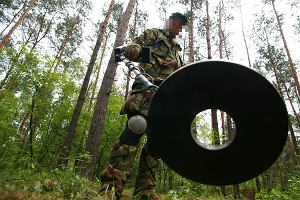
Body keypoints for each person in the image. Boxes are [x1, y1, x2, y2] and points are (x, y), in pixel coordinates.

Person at [100, 12, 188, 200]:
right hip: (146, 92)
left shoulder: (179, 53)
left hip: (168, 101)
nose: (177, 27)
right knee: (136, 126)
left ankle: (145, 192)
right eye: (175, 22)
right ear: (169, 22)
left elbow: (183, 78)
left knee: (157, 144)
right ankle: (110, 188)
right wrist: (135, 51)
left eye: (181, 25)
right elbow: (131, 48)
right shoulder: (154, 35)